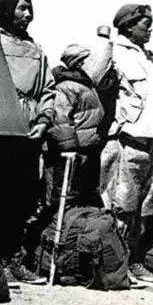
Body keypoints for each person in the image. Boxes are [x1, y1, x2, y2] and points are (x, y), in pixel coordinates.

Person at [0, 0, 55, 285]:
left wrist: (44, 120)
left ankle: (14, 260)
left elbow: (48, 90)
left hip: (28, 131)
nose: (28, 14)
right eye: (21, 8)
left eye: (29, 8)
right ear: (6, 11)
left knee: (21, 198)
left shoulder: (36, 50)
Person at [100, 4, 153, 283]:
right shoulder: (115, 53)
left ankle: (133, 260)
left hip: (149, 140)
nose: (151, 29)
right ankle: (116, 264)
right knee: (121, 204)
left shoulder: (149, 57)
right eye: (146, 24)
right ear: (129, 26)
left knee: (144, 207)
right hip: (127, 139)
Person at [43, 44, 105, 215]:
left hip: (85, 149)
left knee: (77, 192)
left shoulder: (85, 84)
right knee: (62, 192)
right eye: (88, 60)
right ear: (78, 63)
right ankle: (54, 225)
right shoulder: (66, 86)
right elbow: (60, 118)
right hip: (70, 152)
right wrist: (69, 148)